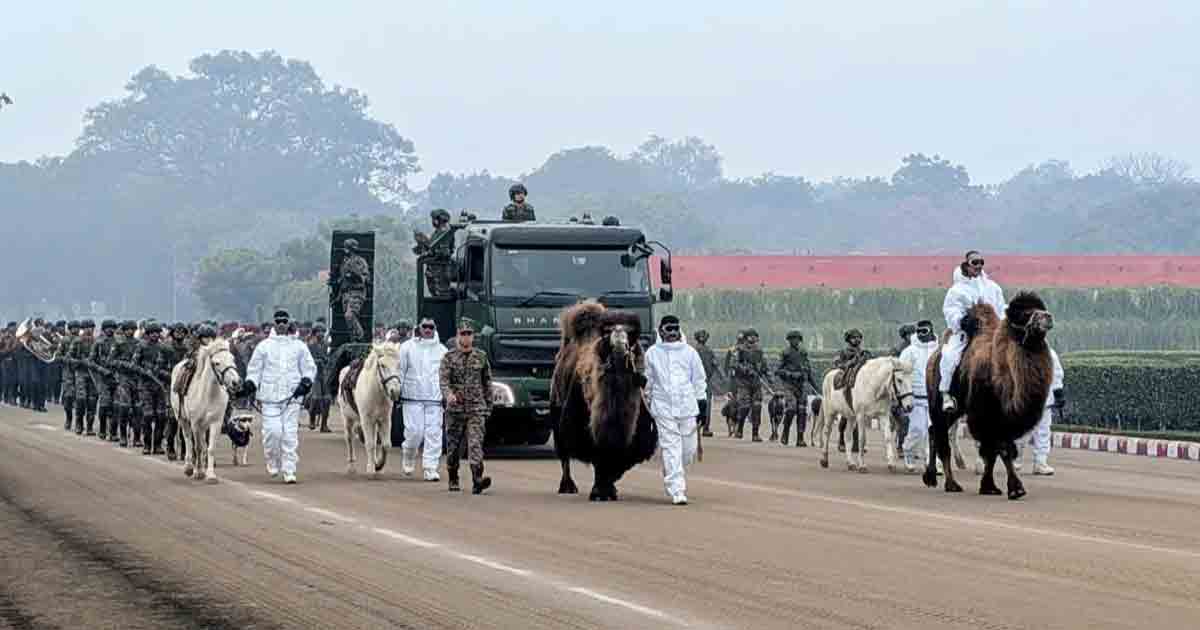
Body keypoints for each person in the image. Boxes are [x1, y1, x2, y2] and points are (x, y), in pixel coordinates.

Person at [244, 310, 317, 484]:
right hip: (270, 397)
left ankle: (289, 469)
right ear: (274, 324)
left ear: (289, 323)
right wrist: (250, 384)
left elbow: (309, 367)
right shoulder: (264, 346)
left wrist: (306, 382)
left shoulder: (299, 345)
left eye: (285, 321)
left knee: (289, 434)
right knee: (273, 432)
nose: (282, 324)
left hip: (292, 397)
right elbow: (254, 370)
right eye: (279, 321)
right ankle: (272, 460)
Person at [645, 316, 707, 506]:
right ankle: (677, 490)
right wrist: (647, 400)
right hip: (663, 407)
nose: (672, 333)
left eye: (675, 329)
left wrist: (702, 402)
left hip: (687, 406)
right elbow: (649, 380)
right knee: (671, 446)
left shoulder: (690, 353)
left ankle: (671, 468)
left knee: (687, 450)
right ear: (661, 331)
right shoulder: (652, 354)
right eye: (668, 329)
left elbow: (698, 379)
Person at [938, 251, 1006, 413]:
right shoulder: (956, 290)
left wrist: (1003, 323)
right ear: (967, 265)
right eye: (975, 262)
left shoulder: (993, 288)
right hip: (967, 334)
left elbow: (1001, 308)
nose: (979, 266)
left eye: (981, 262)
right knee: (949, 356)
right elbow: (950, 310)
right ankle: (946, 393)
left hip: (992, 333)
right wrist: (962, 321)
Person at [439, 317, 493, 494]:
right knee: (453, 447)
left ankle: (477, 478)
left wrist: (489, 405)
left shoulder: (481, 357)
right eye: (463, 334)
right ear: (457, 336)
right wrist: (449, 396)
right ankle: (453, 476)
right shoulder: (449, 358)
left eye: (469, 334)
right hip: (455, 410)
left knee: (475, 443)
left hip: (476, 408)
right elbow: (444, 381)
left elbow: (487, 383)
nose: (466, 337)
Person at [398, 318, 449, 480]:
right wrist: (397, 391)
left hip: (434, 398)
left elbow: (446, 375)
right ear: (419, 328)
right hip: (412, 396)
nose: (428, 329)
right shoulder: (406, 348)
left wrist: (447, 394)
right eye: (425, 326)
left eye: (431, 327)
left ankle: (430, 468)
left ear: (434, 329)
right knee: (414, 432)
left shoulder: (442, 350)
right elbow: (400, 370)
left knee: (434, 434)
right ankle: (408, 455)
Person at [899, 320, 938, 472]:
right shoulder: (909, 351)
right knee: (918, 430)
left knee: (933, 431)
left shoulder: (939, 349)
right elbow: (901, 375)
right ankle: (908, 451)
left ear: (931, 331)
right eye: (919, 331)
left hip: (934, 397)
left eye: (925, 331)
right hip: (915, 397)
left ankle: (932, 462)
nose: (922, 334)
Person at [1022, 347, 1064, 476]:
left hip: (1045, 399)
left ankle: (1040, 462)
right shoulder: (1021, 352)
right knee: (1022, 432)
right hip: (1026, 399)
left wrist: (1059, 393)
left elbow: (1057, 374)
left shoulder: (1050, 353)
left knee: (1043, 432)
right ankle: (1015, 460)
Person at [132, 322, 171, 455]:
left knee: (161, 416)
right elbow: (134, 365)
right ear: (147, 334)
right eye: (152, 332)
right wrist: (144, 371)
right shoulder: (141, 346)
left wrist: (162, 373)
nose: (155, 335)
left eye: (157, 332)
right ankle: (147, 444)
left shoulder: (164, 348)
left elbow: (169, 366)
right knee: (148, 415)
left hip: (160, 386)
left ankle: (158, 445)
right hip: (145, 386)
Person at [776, 329, 819, 447]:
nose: (795, 341)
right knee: (791, 408)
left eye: (797, 339)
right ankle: (785, 432)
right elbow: (778, 370)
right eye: (792, 339)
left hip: (801, 385)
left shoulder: (803, 353)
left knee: (802, 411)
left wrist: (816, 387)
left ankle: (800, 438)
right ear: (789, 341)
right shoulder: (785, 353)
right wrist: (790, 374)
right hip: (789, 385)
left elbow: (808, 370)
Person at [832, 329, 871, 453]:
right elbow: (838, 364)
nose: (857, 340)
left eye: (859, 337)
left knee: (860, 416)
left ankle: (857, 444)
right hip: (848, 383)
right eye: (854, 337)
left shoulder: (864, 352)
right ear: (848, 339)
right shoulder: (843, 352)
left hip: (862, 384)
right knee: (846, 416)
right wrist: (851, 362)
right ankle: (842, 440)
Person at [731, 329, 769, 441]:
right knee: (745, 407)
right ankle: (740, 428)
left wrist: (769, 378)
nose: (753, 338)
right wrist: (745, 369)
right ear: (747, 337)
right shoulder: (740, 349)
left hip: (756, 383)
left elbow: (764, 366)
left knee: (757, 407)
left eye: (755, 336)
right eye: (751, 336)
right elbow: (734, 364)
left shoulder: (759, 351)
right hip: (744, 383)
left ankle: (755, 433)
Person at [87, 319, 120, 441]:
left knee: (116, 406)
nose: (110, 329)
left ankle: (113, 432)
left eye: (112, 327)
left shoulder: (118, 342)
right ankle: (102, 429)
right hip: (103, 378)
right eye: (108, 327)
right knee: (105, 404)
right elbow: (90, 361)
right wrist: (101, 370)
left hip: (116, 378)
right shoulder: (98, 343)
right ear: (104, 329)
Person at [891, 323, 917, 453]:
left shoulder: (918, 348)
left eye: (914, 333)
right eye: (911, 334)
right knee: (905, 420)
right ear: (905, 336)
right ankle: (901, 445)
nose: (914, 336)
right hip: (900, 390)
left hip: (914, 388)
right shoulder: (897, 350)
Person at [692, 330, 722, 438]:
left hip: (702, 381)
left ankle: (703, 427)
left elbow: (716, 364)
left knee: (705, 404)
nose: (703, 338)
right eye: (701, 336)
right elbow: (716, 365)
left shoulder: (695, 350)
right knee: (703, 404)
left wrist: (721, 376)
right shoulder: (694, 351)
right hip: (698, 381)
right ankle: (702, 427)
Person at [306, 323, 333, 432]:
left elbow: (328, 358)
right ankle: (312, 419)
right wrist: (318, 361)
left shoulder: (326, 345)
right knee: (316, 398)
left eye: (322, 331)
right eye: (318, 331)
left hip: (325, 374)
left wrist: (326, 360)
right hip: (315, 374)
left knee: (327, 400)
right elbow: (307, 360)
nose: (321, 333)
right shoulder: (310, 345)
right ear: (314, 333)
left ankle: (324, 425)